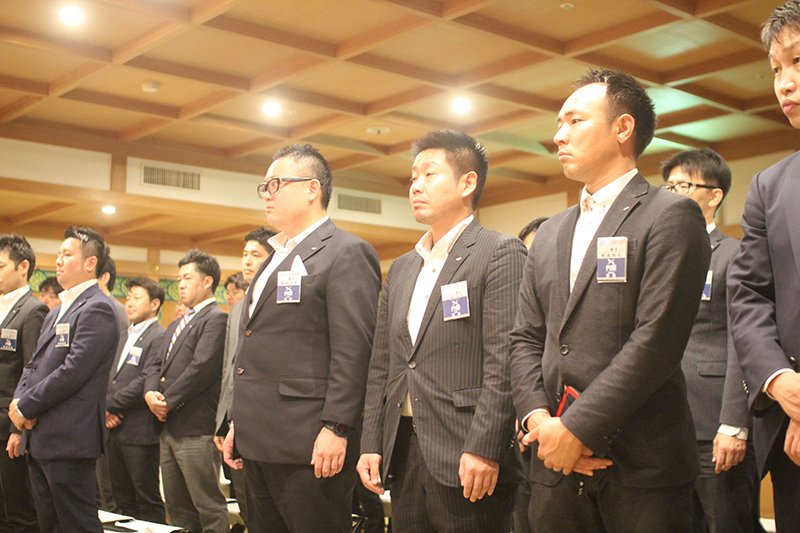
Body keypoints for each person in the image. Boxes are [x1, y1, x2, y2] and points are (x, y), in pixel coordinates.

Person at [508, 69, 710, 533]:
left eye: (575, 121)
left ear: (623, 128)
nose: (559, 135)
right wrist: (539, 421)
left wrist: (576, 428)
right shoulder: (551, 231)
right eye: (559, 123)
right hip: (553, 462)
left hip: (641, 463)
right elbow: (525, 338)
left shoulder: (670, 214)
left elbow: (656, 341)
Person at [358, 130, 526, 532]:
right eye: (413, 177)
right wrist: (371, 442)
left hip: (468, 450)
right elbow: (383, 364)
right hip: (404, 448)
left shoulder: (499, 251)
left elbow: (505, 361)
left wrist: (485, 447)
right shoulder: (403, 267)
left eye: (429, 174)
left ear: (467, 183)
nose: (416, 186)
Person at [223, 143, 381, 533]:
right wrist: (237, 422)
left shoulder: (346, 252)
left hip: (309, 442)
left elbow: (353, 350)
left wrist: (337, 427)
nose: (267, 194)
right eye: (264, 186)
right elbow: (253, 345)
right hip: (256, 439)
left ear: (312, 189)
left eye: (276, 184)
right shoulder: (272, 259)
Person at [727, 2, 800, 529]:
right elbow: (749, 296)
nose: (785, 83)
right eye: (776, 69)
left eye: (798, 61)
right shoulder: (769, 186)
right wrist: (782, 384)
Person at [661, 149, 760, 533]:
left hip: (713, 422)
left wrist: (734, 423)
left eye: (682, 185)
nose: (671, 193)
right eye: (668, 186)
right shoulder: (660, 254)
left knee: (726, 522)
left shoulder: (734, 254)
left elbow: (743, 340)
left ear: (714, 195)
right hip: (665, 425)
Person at [11, 226, 120, 532]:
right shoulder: (56, 311)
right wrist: (19, 402)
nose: (58, 260)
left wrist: (26, 406)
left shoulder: (98, 308)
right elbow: (33, 364)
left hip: (69, 438)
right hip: (40, 435)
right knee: (50, 524)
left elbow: (73, 371)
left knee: (77, 524)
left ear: (90, 263)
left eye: (67, 254)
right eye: (58, 253)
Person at [143, 250, 229, 533]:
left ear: (207, 281)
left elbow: (201, 369)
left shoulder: (216, 318)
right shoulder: (176, 323)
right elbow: (154, 364)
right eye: (179, 278)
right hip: (168, 427)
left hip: (196, 427)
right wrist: (150, 394)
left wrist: (167, 401)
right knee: (177, 508)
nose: (180, 284)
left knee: (207, 506)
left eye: (187, 278)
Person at [214, 227, 275, 526]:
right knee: (245, 504)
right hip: (236, 420)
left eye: (256, 255)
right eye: (244, 254)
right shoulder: (238, 308)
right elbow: (230, 368)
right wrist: (223, 419)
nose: (247, 261)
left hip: (268, 420)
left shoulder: (280, 298)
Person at [106, 277, 167, 522]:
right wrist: (106, 409)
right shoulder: (123, 334)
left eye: (137, 298)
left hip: (140, 430)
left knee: (146, 497)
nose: (129, 303)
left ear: (154, 304)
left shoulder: (159, 335)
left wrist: (109, 405)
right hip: (113, 429)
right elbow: (109, 376)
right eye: (128, 297)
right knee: (121, 499)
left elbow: (145, 379)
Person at [0, 235, 48, 532]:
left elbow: (33, 371)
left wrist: (18, 429)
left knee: (18, 509)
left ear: (23, 267)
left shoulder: (33, 310)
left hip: (10, 424)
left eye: (1, 266)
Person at [96, 251, 128, 512]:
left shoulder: (115, 310)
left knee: (109, 490)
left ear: (103, 277)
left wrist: (108, 406)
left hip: (107, 406)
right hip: (93, 408)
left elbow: (117, 366)